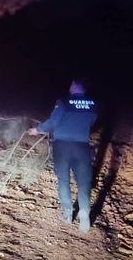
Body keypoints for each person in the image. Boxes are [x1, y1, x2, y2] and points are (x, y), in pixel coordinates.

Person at [28, 79, 97, 232]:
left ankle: (67, 213)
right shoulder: (93, 104)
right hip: (82, 146)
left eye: (71, 85)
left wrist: (37, 129)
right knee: (84, 181)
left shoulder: (64, 102)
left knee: (63, 179)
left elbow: (53, 122)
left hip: (62, 146)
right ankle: (84, 211)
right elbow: (92, 122)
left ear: (74, 86)